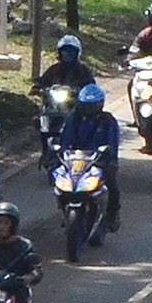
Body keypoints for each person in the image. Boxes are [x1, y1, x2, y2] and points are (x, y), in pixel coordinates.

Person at [57, 82, 127, 232]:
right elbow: (65, 139)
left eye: (92, 105)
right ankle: (64, 211)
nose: (89, 108)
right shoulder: (74, 119)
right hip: (75, 160)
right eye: (86, 105)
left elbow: (113, 142)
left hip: (100, 161)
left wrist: (111, 160)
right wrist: (58, 154)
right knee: (60, 183)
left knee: (112, 186)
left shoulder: (108, 121)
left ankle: (112, 214)